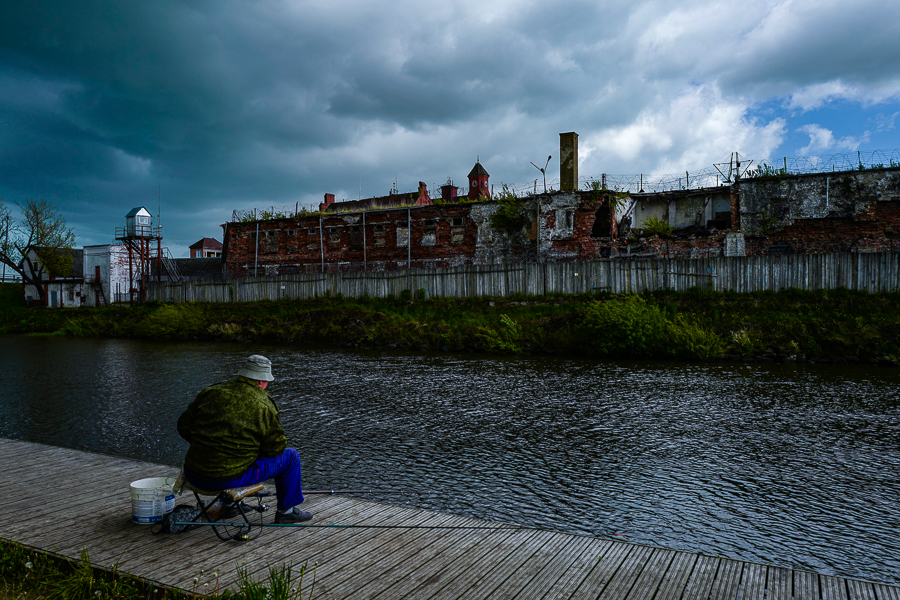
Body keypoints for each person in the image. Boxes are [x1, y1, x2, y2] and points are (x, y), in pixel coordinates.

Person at [177, 354, 312, 524]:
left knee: (240, 453)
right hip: (225, 480)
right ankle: (286, 511)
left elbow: (183, 426)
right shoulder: (263, 405)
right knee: (291, 456)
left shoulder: (211, 392)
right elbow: (275, 449)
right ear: (260, 381)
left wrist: (207, 444)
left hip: (193, 473)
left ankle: (231, 505)